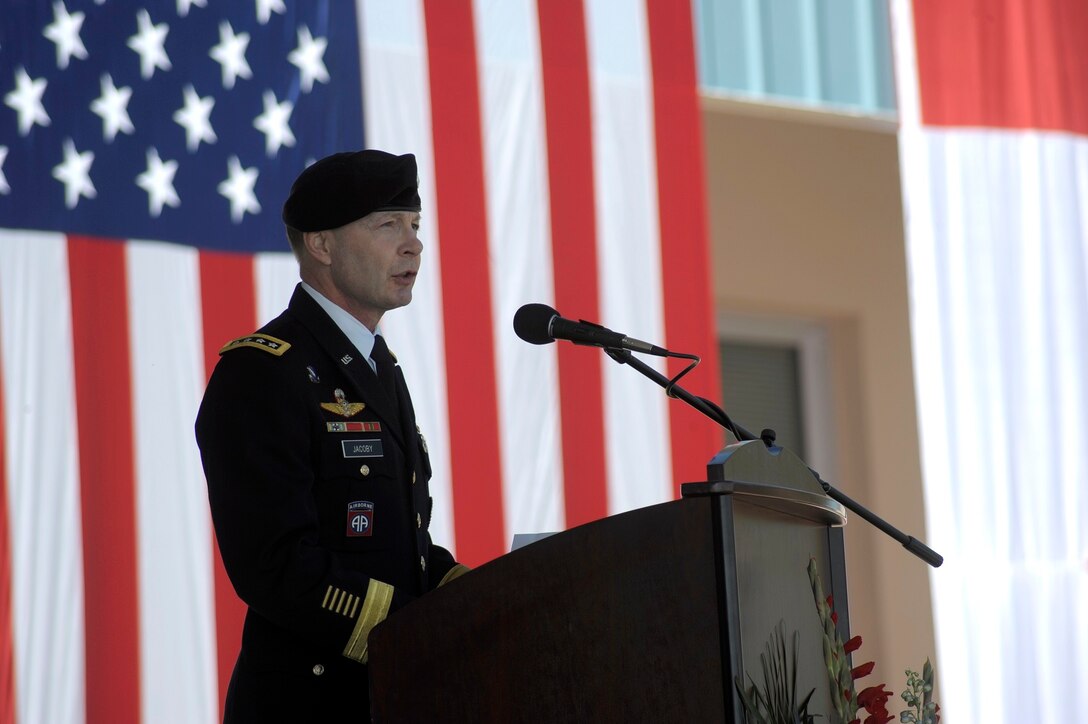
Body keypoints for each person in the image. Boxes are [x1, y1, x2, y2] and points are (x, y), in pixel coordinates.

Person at [196, 149, 468, 722]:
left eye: (415, 224)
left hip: (391, 693)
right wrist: (411, 627)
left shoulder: (377, 366)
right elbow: (274, 563)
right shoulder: (265, 370)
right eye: (387, 224)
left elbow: (394, 542)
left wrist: (467, 588)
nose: (413, 243)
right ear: (321, 245)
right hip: (310, 701)